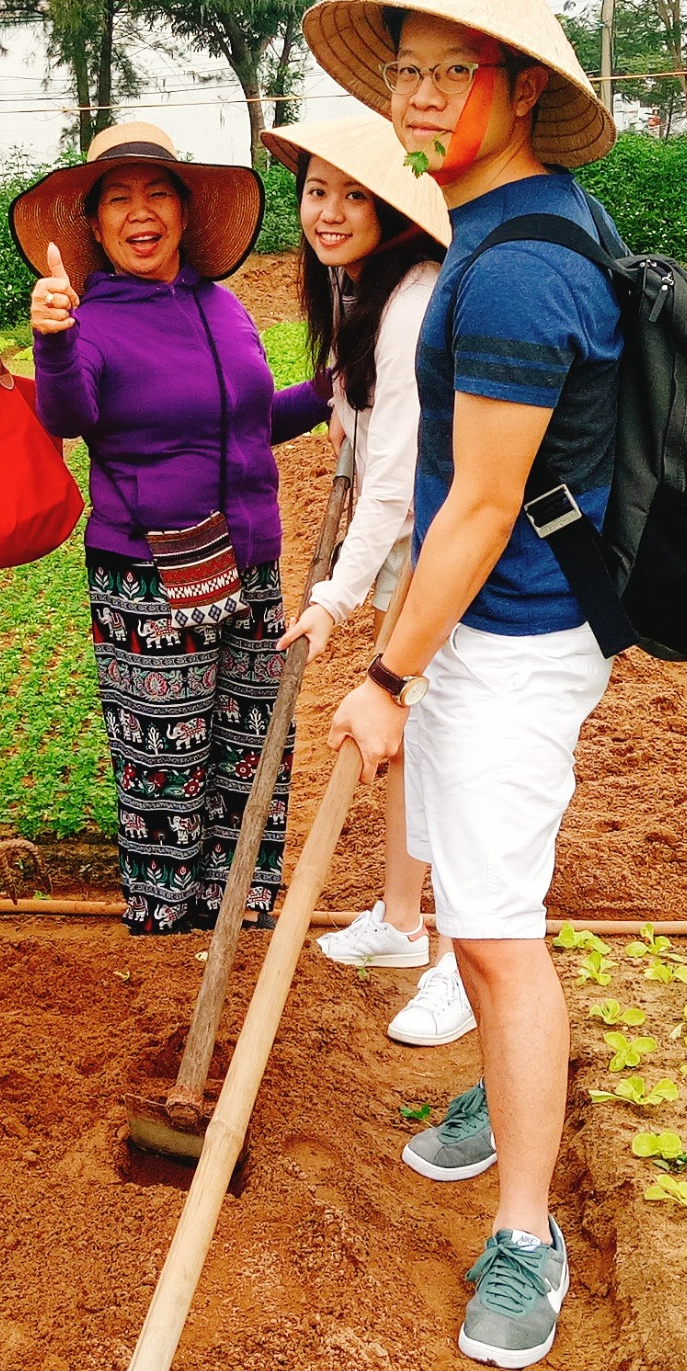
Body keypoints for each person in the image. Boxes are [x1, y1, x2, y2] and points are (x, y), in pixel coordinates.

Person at [304, 0, 625, 1371]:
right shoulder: (503, 223)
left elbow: (484, 504)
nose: (419, 96)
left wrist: (387, 674)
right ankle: (499, 1104)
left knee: (498, 932)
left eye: (453, 70)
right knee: (479, 912)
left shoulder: (518, 270)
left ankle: (529, 1237)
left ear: (523, 90)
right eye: (407, 71)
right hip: (489, 630)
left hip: (513, 638)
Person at [17, 121, 290, 937]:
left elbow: (244, 421)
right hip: (150, 574)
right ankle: (165, 925)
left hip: (249, 560)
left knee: (253, 749)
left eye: (158, 192)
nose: (142, 213)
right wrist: (52, 341)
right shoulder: (90, 319)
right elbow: (68, 414)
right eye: (120, 199)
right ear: (94, 225)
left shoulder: (224, 304)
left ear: (184, 210)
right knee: (167, 760)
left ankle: (238, 908)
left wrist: (339, 389)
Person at [258, 114, 469, 1049]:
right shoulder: (357, 292)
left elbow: (392, 485)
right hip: (417, 554)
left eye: (355, 195)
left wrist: (331, 602)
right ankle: (399, 921)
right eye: (316, 191)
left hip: (456, 560)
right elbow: (367, 426)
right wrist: (345, 405)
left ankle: (465, 966)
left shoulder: (414, 296)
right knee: (413, 746)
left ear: (395, 207)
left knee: (458, 758)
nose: (330, 213)